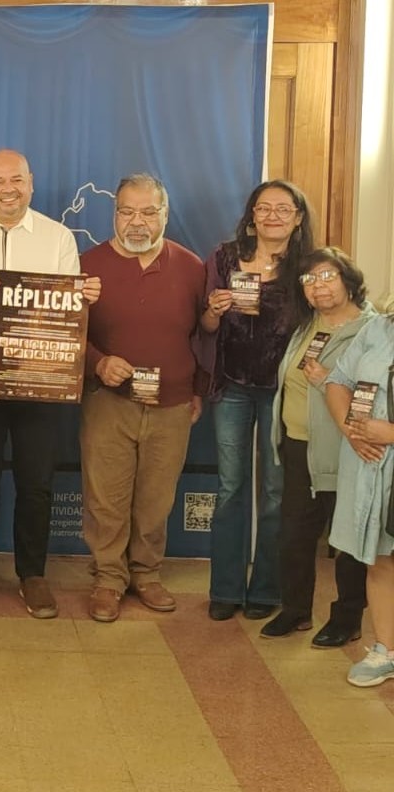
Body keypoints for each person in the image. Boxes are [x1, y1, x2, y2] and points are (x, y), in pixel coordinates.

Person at [0, 149, 98, 619]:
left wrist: (84, 297)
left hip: (40, 367)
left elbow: (69, 311)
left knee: (37, 477)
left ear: (31, 183)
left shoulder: (57, 236)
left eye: (16, 180)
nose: (7, 189)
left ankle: (33, 573)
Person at [78, 174, 205, 623]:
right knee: (105, 498)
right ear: (114, 214)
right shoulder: (86, 265)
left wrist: (199, 389)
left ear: (165, 214)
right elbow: (64, 332)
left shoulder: (191, 267)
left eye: (149, 212)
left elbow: (206, 336)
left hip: (172, 404)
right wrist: (98, 363)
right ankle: (108, 579)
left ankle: (146, 574)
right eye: (127, 211)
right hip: (108, 401)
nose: (137, 222)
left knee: (157, 499)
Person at [199, 180, 314, 621]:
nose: (272, 216)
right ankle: (225, 589)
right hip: (231, 386)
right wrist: (213, 310)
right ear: (251, 215)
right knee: (230, 488)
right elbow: (205, 327)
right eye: (263, 208)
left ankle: (266, 589)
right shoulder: (224, 257)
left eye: (283, 209)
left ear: (298, 217)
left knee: (275, 491)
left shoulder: (308, 266)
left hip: (282, 392)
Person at [263, 248, 375, 643]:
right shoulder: (307, 325)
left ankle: (347, 620)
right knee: (293, 536)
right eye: (309, 280)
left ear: (348, 281)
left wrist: (330, 381)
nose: (318, 286)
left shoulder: (371, 331)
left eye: (328, 276)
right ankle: (295, 611)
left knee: (346, 542)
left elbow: (375, 395)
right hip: (298, 447)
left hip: (346, 450)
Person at [324, 312, 394, 687]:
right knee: (380, 558)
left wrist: (390, 433)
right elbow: (338, 381)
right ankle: (386, 650)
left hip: (385, 445)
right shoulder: (379, 328)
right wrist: (349, 430)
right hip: (371, 465)